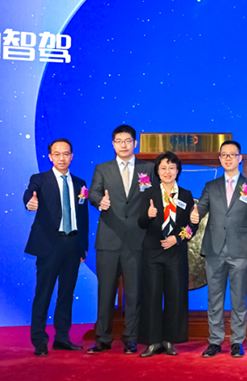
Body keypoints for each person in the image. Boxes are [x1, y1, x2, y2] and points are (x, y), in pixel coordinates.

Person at [87, 125, 155, 355]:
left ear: (135, 143)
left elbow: (157, 195)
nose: (123, 145)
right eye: (119, 141)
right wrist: (100, 201)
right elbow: (93, 192)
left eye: (128, 141)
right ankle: (102, 338)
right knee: (105, 292)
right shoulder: (102, 169)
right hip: (109, 240)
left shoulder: (148, 168)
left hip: (137, 239)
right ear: (113, 144)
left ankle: (131, 338)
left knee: (134, 293)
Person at [23, 138, 89, 356]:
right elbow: (29, 193)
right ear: (50, 157)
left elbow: (83, 217)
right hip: (49, 246)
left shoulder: (80, 183)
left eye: (66, 154)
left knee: (66, 294)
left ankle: (62, 338)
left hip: (72, 245)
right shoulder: (39, 179)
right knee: (43, 293)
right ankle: (39, 340)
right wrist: (29, 202)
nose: (62, 158)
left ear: (72, 156)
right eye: (57, 154)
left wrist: (83, 246)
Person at [196, 140, 247, 358]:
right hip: (214, 250)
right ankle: (214, 341)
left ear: (239, 158)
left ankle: (236, 342)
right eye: (224, 155)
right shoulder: (210, 186)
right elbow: (200, 210)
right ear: (219, 158)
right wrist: (191, 213)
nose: (228, 158)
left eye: (232, 154)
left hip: (241, 251)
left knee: (239, 299)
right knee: (214, 299)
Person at [136, 151, 199, 357]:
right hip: (152, 252)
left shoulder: (187, 195)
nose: (167, 171)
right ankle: (153, 341)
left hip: (175, 253)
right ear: (157, 171)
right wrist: (148, 215)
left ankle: (170, 340)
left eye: (172, 168)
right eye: (163, 168)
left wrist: (177, 239)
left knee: (176, 296)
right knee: (152, 296)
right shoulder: (149, 193)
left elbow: (191, 226)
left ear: (178, 170)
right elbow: (141, 223)